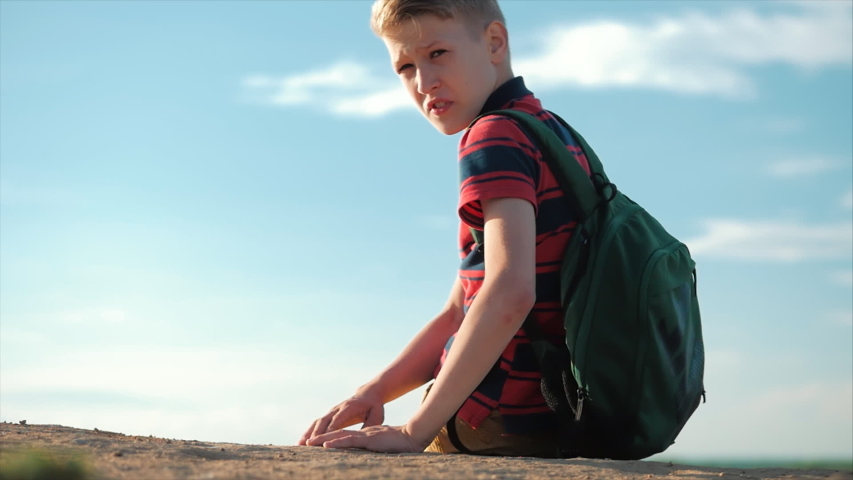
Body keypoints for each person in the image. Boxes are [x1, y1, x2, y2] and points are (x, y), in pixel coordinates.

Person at [299, 0, 592, 456]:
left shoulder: (494, 136)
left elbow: (511, 293)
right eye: (405, 66)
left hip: (498, 415)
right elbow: (460, 310)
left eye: (437, 53)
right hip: (567, 411)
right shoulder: (556, 134)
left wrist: (414, 431)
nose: (424, 82)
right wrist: (373, 393)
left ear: (494, 42)